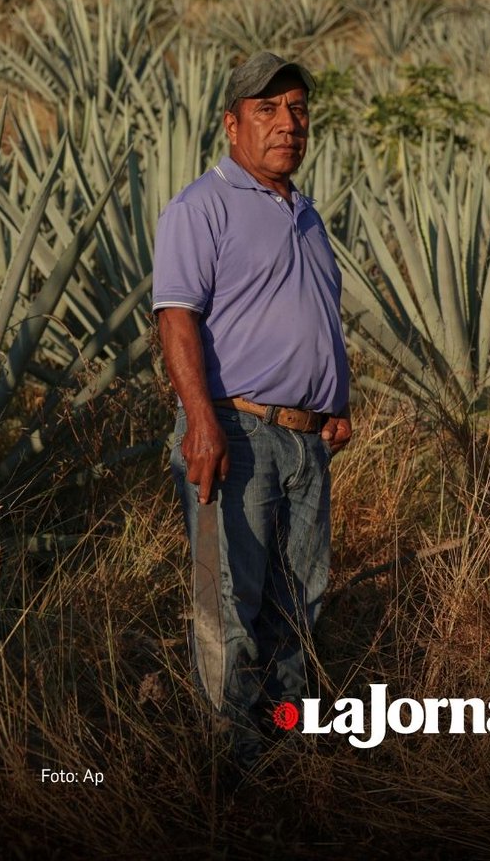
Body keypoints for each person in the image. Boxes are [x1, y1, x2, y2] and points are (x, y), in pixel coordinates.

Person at [152, 50, 352, 769]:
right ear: (232, 124)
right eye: (267, 110)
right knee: (228, 604)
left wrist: (334, 402)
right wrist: (201, 422)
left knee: (298, 602)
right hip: (233, 431)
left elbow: (312, 313)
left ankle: (285, 746)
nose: (287, 123)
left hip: (305, 440)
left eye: (297, 109)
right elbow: (176, 318)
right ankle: (229, 771)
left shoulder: (306, 213)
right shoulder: (201, 207)